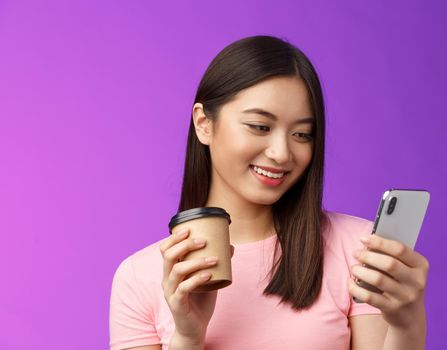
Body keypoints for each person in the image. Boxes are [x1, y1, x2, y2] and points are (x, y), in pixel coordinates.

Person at [109, 35, 429, 350]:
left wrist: (407, 322)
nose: (281, 153)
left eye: (302, 134)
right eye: (260, 127)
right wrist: (188, 337)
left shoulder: (359, 251)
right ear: (204, 123)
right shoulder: (140, 278)